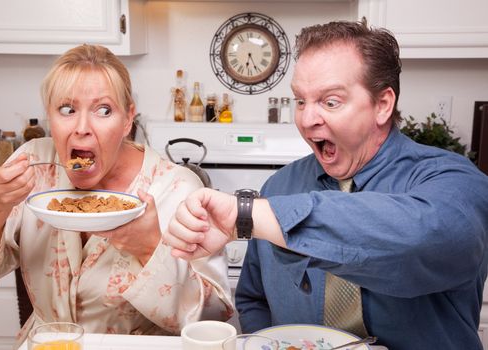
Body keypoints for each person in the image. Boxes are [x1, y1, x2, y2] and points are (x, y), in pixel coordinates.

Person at [164, 20, 488, 349]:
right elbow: (253, 299)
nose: (307, 119)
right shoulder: (279, 187)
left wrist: (248, 215)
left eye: (330, 102)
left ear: (382, 105)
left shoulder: (453, 181)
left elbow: (422, 238)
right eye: (300, 101)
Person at [0, 44, 233, 347]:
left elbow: (214, 319)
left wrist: (149, 249)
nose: (82, 128)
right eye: (67, 109)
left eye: (104, 110)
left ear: (128, 119)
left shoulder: (178, 188)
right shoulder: (34, 166)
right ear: (50, 116)